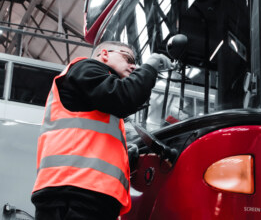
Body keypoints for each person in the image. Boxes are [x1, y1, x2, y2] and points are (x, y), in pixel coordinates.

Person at [31, 41, 172, 220]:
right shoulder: (86, 68)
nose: (133, 66)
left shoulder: (99, 101)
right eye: (127, 58)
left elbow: (92, 143)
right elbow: (125, 97)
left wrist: (123, 158)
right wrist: (151, 65)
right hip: (77, 191)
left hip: (78, 190)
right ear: (104, 55)